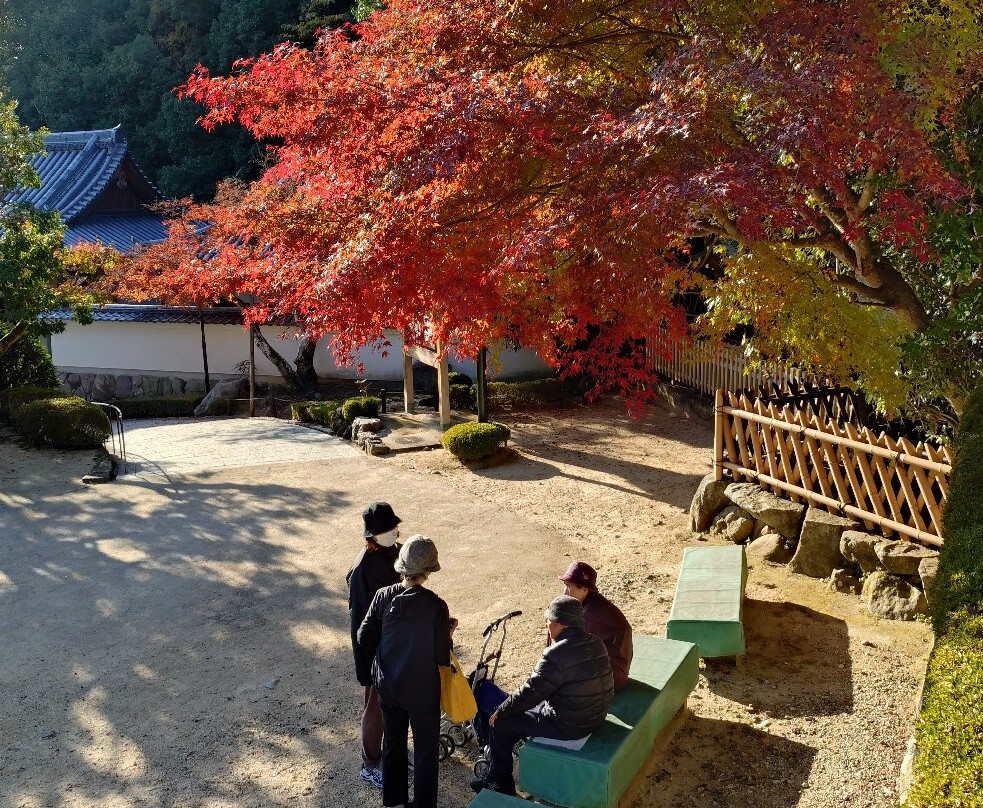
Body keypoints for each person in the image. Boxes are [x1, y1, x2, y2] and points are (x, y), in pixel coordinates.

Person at [471, 595, 614, 796]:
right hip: (595, 715)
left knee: (501, 725)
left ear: (560, 624)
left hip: (569, 724)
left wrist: (501, 711)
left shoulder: (555, 655)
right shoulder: (595, 642)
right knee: (521, 708)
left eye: (548, 621)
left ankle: (499, 783)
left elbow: (531, 692)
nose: (546, 625)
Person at [357, 535, 452, 808]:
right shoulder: (436, 606)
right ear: (428, 571)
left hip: (389, 686)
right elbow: (440, 657)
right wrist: (448, 635)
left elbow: (364, 636)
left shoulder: (383, 596)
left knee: (394, 743)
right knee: (425, 750)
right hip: (423, 690)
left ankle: (394, 801)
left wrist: (384, 652)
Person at [346, 502, 403, 789]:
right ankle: (369, 765)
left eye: (395, 527)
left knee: (393, 707)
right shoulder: (362, 570)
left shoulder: (395, 552)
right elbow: (361, 625)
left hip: (396, 646)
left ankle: (392, 753)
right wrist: (370, 665)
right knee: (375, 708)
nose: (395, 531)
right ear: (374, 535)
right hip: (375, 653)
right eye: (389, 529)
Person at [559, 561, 633, 691]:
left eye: (569, 586)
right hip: (611, 669)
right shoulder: (590, 604)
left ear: (584, 589)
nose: (565, 592)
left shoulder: (593, 612)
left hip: (612, 677)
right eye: (565, 585)